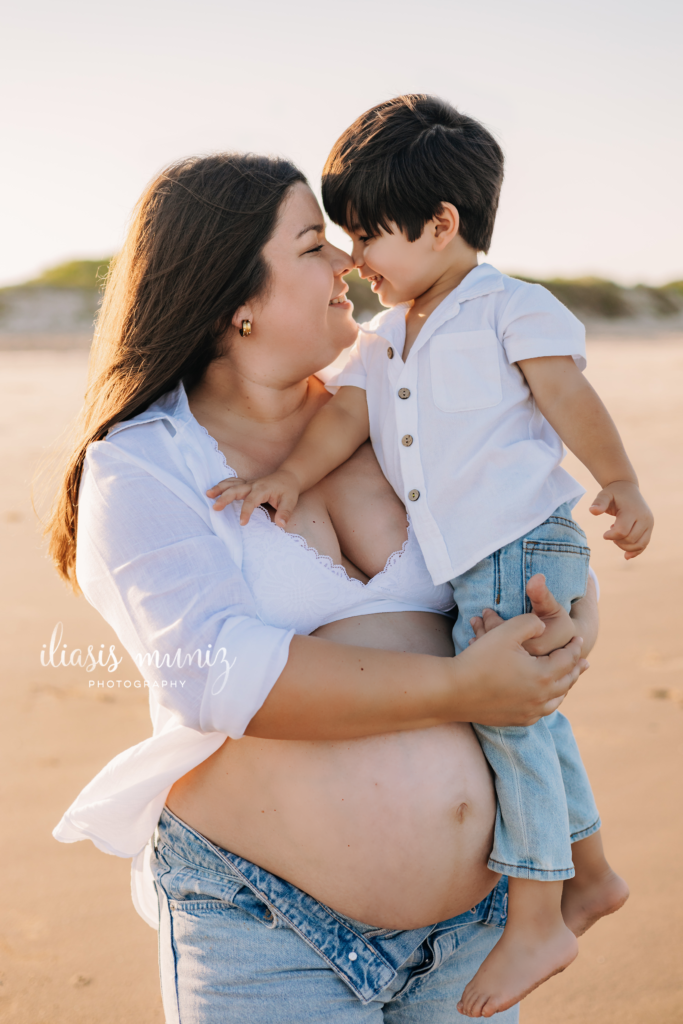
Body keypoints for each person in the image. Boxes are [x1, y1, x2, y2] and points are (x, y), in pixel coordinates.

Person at [49, 153, 594, 1023]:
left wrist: (567, 620)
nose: (347, 260)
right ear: (237, 301)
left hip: (473, 933)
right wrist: (462, 688)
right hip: (265, 926)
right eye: (312, 244)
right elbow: (213, 671)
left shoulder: (399, 407)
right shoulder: (143, 466)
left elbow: (524, 530)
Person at [208, 96, 641, 1018]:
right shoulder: (387, 335)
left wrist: (621, 482)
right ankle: (590, 873)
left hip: (522, 537)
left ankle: (535, 918)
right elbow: (345, 414)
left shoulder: (507, 308)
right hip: (472, 553)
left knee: (513, 720)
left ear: (441, 225)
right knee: (527, 715)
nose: (353, 257)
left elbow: (567, 397)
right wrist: (287, 478)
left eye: (368, 234)